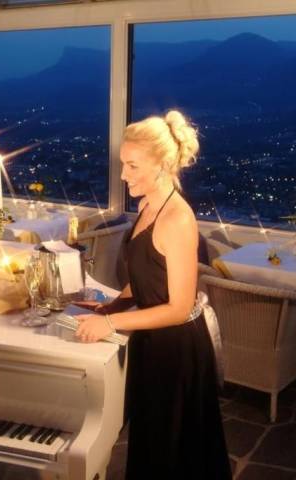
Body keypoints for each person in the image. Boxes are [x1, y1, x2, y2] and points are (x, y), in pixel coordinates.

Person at [75, 110, 231, 478]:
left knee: (174, 454)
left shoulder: (177, 218)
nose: (123, 174)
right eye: (123, 164)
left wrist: (111, 323)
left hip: (177, 350)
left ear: (161, 164)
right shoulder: (148, 206)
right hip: (152, 342)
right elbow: (146, 275)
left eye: (132, 165)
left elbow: (179, 307)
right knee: (152, 443)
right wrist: (112, 304)